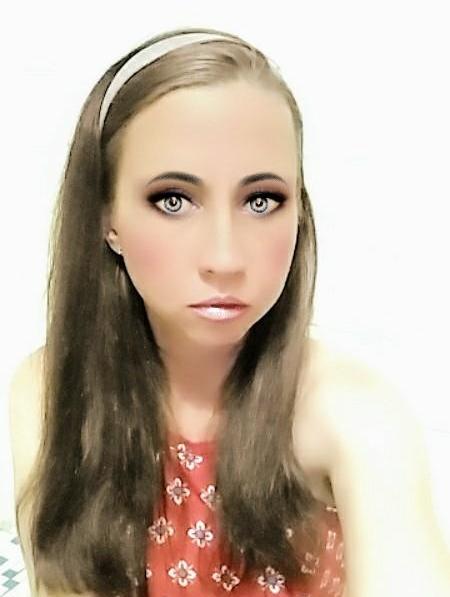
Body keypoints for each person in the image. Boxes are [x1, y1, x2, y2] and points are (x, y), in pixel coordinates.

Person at [8, 26, 450, 597]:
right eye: (173, 200)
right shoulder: (50, 393)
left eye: (261, 200)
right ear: (106, 217)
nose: (224, 258)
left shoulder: (354, 417)